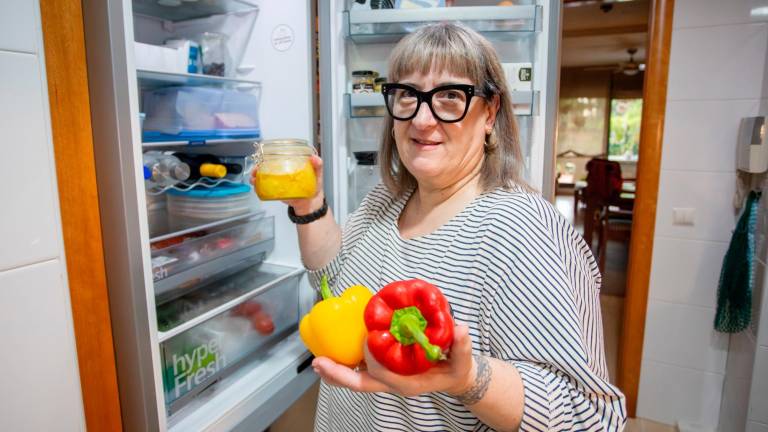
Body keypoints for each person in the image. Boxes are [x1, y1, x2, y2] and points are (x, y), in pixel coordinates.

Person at [276, 23, 626, 431]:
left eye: (449, 96)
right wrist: (309, 204)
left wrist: (467, 379)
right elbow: (332, 281)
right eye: (407, 94)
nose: (422, 120)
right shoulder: (386, 201)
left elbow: (587, 417)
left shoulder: (522, 230)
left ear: (490, 112)